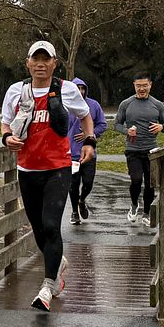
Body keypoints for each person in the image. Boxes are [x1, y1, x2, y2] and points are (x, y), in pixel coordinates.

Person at [0, 41, 94, 311]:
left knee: (51, 225)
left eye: (46, 59)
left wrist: (89, 141)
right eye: (36, 59)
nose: (40, 64)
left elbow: (85, 116)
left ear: (54, 63)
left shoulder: (67, 89)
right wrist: (7, 138)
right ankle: (57, 262)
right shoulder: (16, 91)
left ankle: (48, 287)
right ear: (28, 63)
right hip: (27, 169)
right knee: (38, 229)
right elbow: (5, 123)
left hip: (57, 168)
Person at [113, 74, 164, 226]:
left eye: (145, 85)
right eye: (138, 86)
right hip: (133, 149)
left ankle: (147, 213)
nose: (142, 89)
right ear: (134, 85)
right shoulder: (126, 104)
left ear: (150, 85)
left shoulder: (158, 105)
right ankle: (134, 204)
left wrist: (161, 127)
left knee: (150, 183)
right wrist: (127, 131)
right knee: (136, 180)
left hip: (151, 150)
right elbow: (116, 124)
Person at [66, 77, 106, 226]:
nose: (80, 91)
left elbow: (102, 124)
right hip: (71, 154)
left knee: (88, 182)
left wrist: (89, 134)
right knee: (73, 184)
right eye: (77, 88)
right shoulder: (65, 105)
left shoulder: (93, 105)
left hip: (89, 153)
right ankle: (74, 212)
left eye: (83, 88)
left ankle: (82, 200)